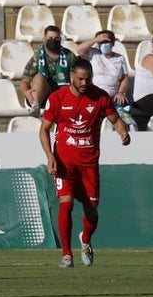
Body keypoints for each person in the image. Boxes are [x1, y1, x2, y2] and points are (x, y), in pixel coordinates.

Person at [38, 57, 131, 267]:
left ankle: (86, 239)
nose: (84, 83)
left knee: (92, 211)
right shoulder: (58, 98)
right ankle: (66, 254)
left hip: (89, 163)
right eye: (80, 79)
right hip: (64, 162)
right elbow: (44, 129)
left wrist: (123, 132)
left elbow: (115, 119)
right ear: (71, 76)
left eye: (88, 79)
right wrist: (50, 156)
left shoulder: (100, 97)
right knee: (66, 204)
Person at [20, 24, 74, 112]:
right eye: (50, 38)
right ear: (44, 39)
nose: (53, 40)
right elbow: (25, 80)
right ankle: (35, 106)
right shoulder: (37, 57)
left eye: (56, 38)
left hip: (63, 93)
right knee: (39, 77)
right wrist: (26, 92)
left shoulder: (69, 56)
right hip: (43, 95)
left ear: (60, 39)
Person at [77, 29, 131, 109]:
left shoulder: (120, 58)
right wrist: (96, 39)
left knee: (124, 107)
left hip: (113, 96)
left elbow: (125, 78)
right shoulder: (93, 53)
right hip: (94, 94)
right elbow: (79, 50)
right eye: (101, 42)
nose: (104, 44)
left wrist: (121, 92)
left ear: (112, 43)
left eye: (106, 41)